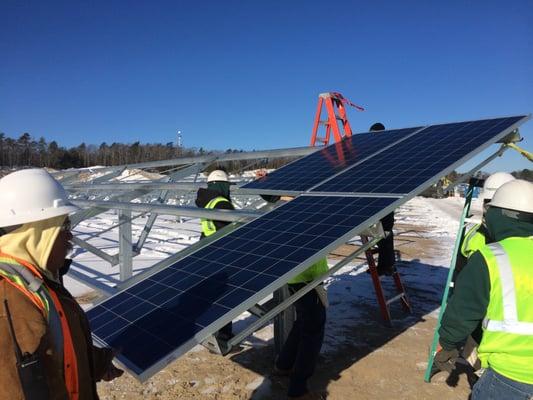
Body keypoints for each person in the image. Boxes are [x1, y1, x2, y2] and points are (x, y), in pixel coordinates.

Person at [0, 168, 123, 400]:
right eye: (64, 226)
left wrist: (97, 363)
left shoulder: (38, 283)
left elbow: (57, 352)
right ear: (36, 234)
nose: (71, 237)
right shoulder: (9, 302)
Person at [435, 179, 533, 399]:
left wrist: (448, 344)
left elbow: (463, 311)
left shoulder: (491, 258)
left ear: (500, 215)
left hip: (511, 377)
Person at [274, 258, 328, 400]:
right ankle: (298, 390)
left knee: (304, 322)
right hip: (309, 276)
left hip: (295, 276)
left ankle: (284, 364)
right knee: (313, 331)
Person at [195, 168, 235, 340]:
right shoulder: (222, 203)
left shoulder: (207, 201)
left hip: (209, 251)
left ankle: (213, 331)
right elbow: (234, 231)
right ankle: (223, 335)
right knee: (226, 297)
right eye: (227, 186)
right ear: (222, 186)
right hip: (223, 254)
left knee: (214, 295)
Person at [369, 122, 395, 275]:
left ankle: (387, 266)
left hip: (386, 199)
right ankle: (383, 266)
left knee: (385, 232)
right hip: (378, 199)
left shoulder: (386, 151)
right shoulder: (377, 151)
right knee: (380, 233)